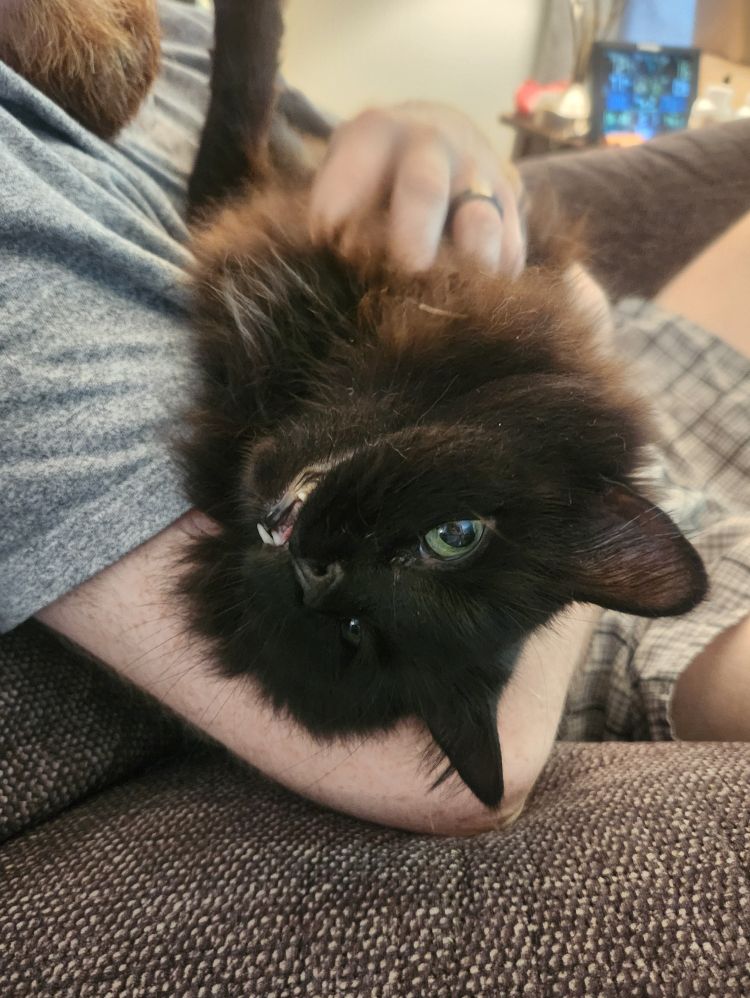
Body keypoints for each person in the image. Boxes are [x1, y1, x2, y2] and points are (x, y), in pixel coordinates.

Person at [2, 2, 748, 836]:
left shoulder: (167, 31)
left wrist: (435, 135)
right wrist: (579, 313)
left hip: (648, 387)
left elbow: (364, 169)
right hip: (636, 596)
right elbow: (455, 790)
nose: (323, 562)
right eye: (447, 538)